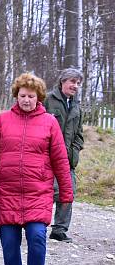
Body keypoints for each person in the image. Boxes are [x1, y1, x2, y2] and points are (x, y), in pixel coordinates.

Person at [0, 73, 73, 265]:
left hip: (38, 193)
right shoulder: (2, 121)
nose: (26, 100)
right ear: (16, 96)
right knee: (9, 243)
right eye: (22, 95)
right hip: (8, 194)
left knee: (37, 238)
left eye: (31, 96)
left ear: (38, 97)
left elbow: (61, 160)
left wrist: (66, 194)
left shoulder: (50, 122)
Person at [45, 68, 84, 243]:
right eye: (72, 82)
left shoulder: (77, 106)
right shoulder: (47, 100)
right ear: (62, 81)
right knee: (47, 191)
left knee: (68, 193)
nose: (75, 86)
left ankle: (59, 230)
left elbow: (79, 135)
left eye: (77, 83)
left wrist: (75, 150)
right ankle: (35, 223)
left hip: (68, 160)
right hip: (47, 157)